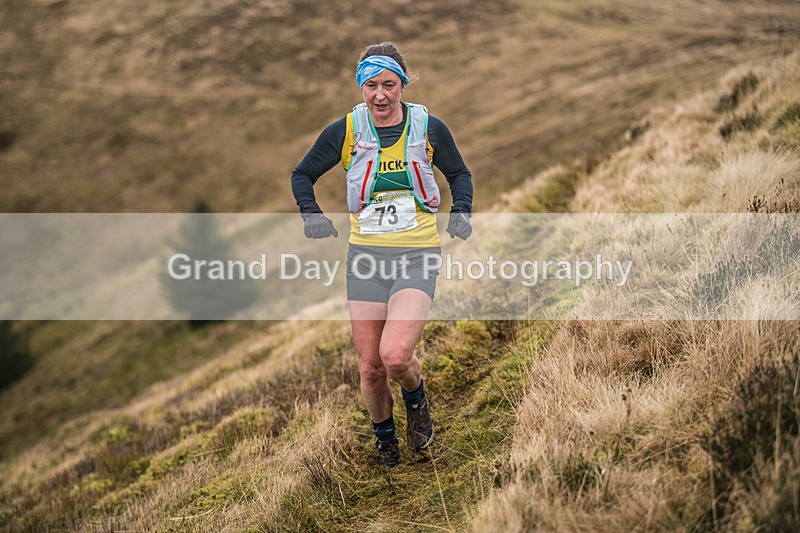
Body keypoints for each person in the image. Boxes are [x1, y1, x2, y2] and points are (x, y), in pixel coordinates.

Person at [291, 42, 473, 468]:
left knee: (395, 356)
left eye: (389, 85)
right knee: (371, 368)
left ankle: (417, 400)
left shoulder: (428, 127)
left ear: (402, 85)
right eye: (370, 85)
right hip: (366, 260)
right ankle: (385, 442)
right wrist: (311, 215)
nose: (379, 95)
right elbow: (302, 175)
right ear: (360, 87)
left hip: (417, 254)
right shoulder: (347, 131)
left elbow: (459, 173)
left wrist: (461, 212)